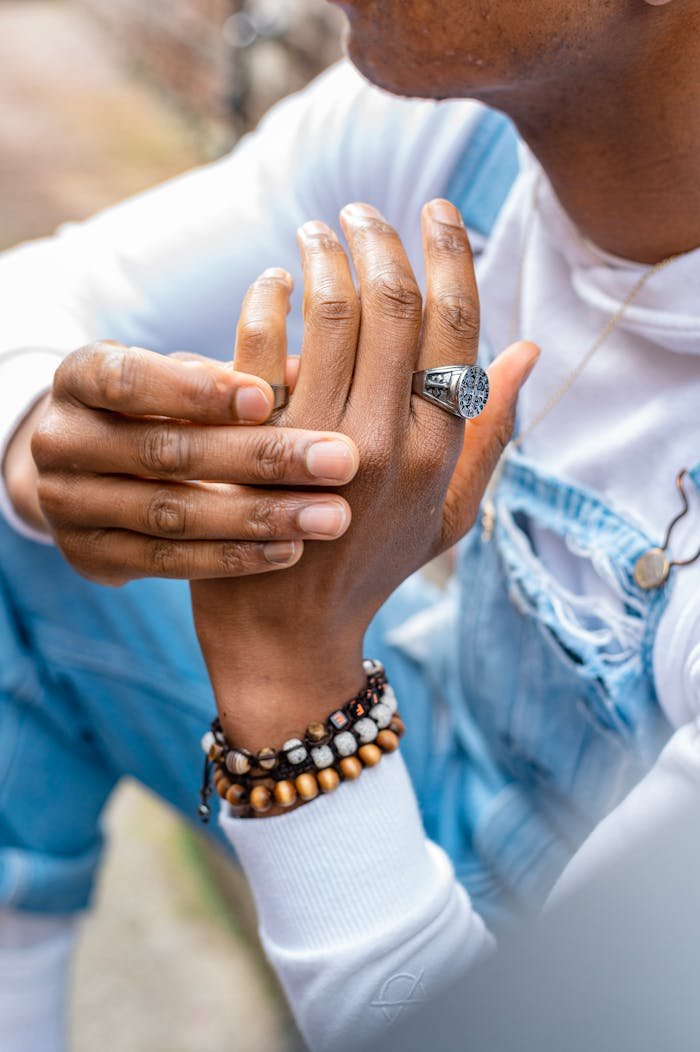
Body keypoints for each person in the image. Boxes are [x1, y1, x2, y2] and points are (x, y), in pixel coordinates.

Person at [1, 0, 699, 1048]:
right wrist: (50, 450)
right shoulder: (464, 130)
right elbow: (51, 288)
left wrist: (287, 677)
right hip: (442, 758)